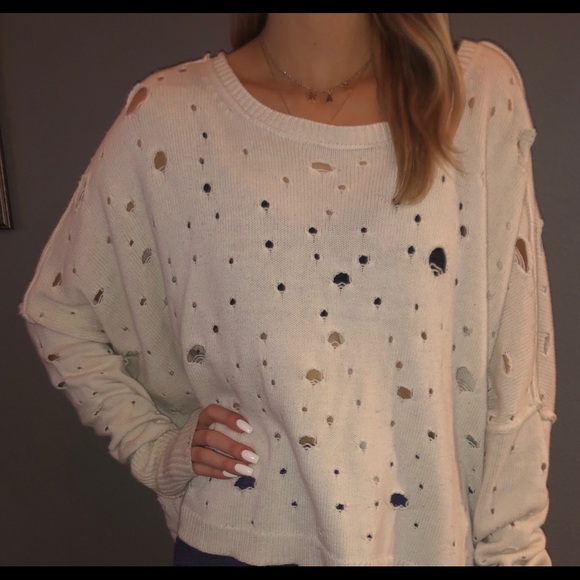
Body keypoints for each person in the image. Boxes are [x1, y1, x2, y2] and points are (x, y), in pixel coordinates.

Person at [20, 13, 557, 566]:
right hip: (238, 541)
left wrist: (514, 552)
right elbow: (60, 309)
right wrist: (156, 447)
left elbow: (515, 370)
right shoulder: (170, 116)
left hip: (423, 545)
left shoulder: (472, 99)